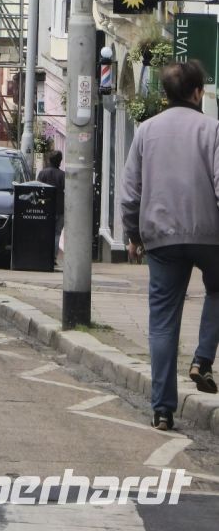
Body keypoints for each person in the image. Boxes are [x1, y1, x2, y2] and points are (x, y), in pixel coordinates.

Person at [120, 60, 219, 431]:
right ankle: (203, 358)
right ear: (197, 93)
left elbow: (130, 192)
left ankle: (162, 409)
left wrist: (132, 236)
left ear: (165, 94)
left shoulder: (146, 132)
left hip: (160, 238)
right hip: (211, 236)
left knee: (162, 322)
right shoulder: (213, 130)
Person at [36, 150, 65, 261]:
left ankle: (44, 255)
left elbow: (37, 190)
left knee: (45, 232)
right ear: (60, 161)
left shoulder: (43, 173)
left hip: (45, 208)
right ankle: (53, 257)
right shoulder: (62, 175)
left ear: (49, 161)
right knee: (57, 233)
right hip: (59, 208)